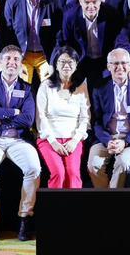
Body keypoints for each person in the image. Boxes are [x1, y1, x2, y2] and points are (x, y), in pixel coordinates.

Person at [0, 45, 41, 242]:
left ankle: (24, 220)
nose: (12, 63)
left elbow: (28, 119)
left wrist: (1, 114)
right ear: (0, 62)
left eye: (15, 59)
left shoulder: (26, 88)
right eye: (8, 59)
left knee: (33, 168)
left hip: (18, 140)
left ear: (20, 63)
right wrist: (14, 112)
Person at [87, 49, 130, 189]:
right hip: (106, 138)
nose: (120, 67)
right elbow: (96, 121)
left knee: (123, 162)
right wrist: (108, 141)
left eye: (123, 63)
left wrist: (125, 142)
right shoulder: (99, 88)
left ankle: (113, 202)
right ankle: (107, 199)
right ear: (108, 66)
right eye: (115, 64)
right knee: (93, 165)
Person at [35, 46, 90, 189]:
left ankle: (74, 209)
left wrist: (75, 140)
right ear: (56, 65)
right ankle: (55, 209)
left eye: (70, 62)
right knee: (59, 173)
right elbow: (41, 117)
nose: (66, 65)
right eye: (62, 62)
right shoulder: (45, 86)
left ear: (76, 64)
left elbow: (85, 118)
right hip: (49, 139)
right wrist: (53, 142)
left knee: (73, 173)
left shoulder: (82, 86)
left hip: (73, 139)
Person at [5, 0, 63, 85]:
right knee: (21, 87)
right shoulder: (12, 3)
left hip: (45, 56)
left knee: (50, 86)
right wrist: (16, 61)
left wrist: (53, 63)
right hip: (22, 56)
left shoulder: (53, 2)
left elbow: (59, 35)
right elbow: (8, 35)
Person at [59, 0, 122, 87]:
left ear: (100, 0)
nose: (91, 6)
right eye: (87, 2)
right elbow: (66, 43)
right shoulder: (70, 16)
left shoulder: (112, 15)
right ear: (80, 1)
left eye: (95, 2)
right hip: (80, 61)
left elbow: (118, 42)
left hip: (104, 61)